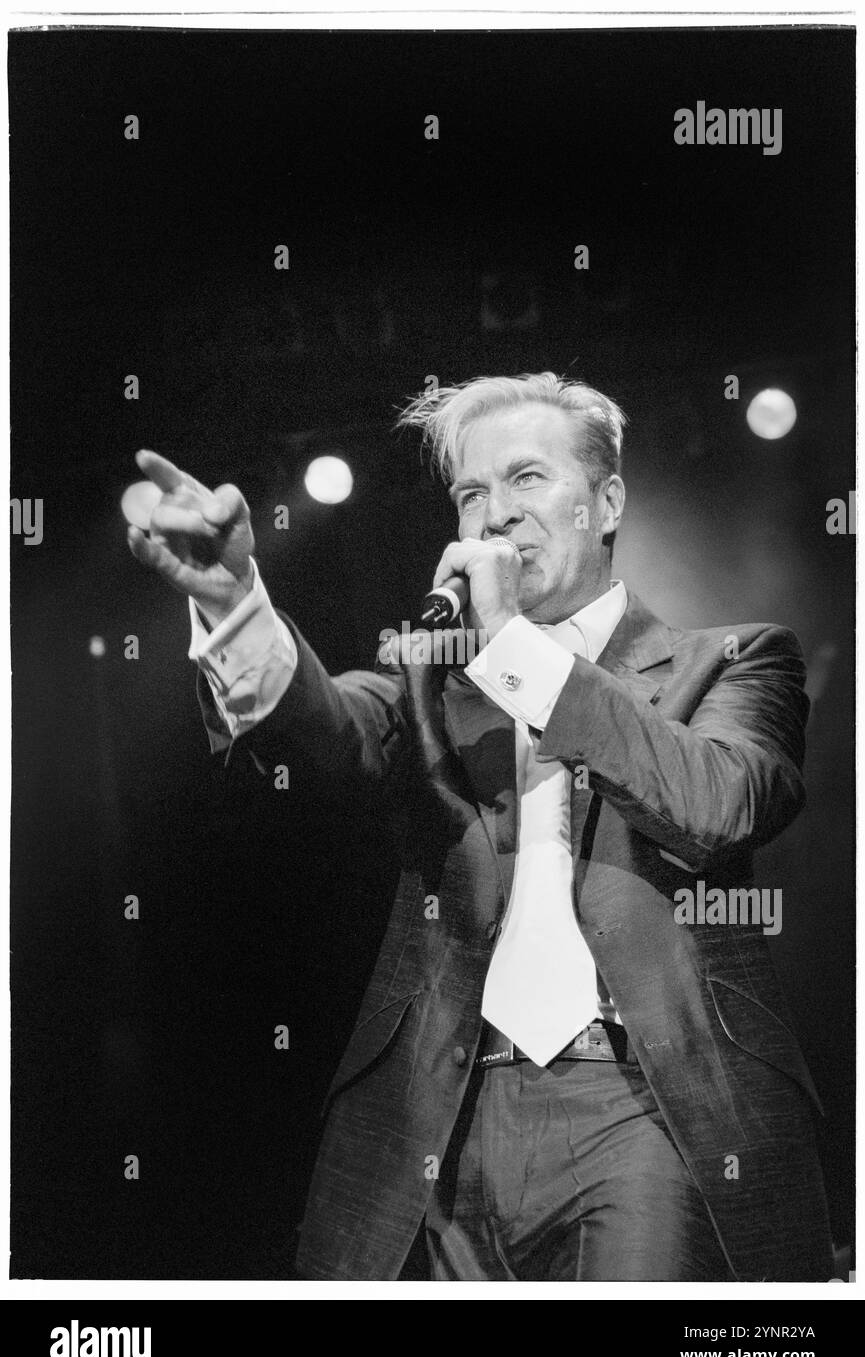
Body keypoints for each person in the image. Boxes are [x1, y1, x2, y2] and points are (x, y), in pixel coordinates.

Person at [128, 371, 833, 1281]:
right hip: (445, 1115)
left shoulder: (733, 661)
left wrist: (514, 650)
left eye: (527, 480)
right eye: (471, 494)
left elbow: (720, 803)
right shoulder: (425, 685)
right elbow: (321, 740)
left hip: (641, 1107)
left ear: (606, 501)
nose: (493, 515)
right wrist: (234, 605)